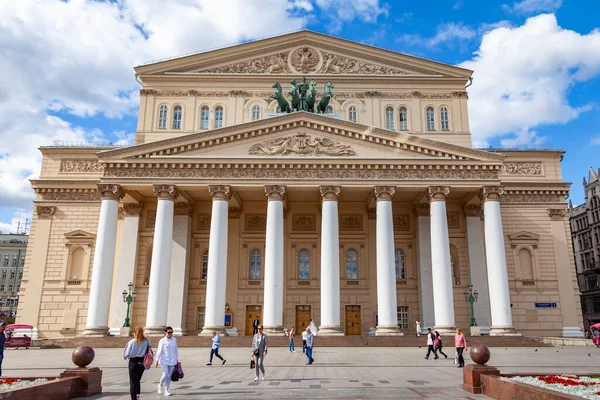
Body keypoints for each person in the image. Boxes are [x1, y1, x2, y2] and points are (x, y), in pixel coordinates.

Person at [123, 326, 151, 400]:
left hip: (133, 362)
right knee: (138, 379)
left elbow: (126, 353)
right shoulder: (146, 341)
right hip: (142, 363)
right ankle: (137, 394)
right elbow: (149, 350)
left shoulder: (132, 341)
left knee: (132, 382)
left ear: (135, 332)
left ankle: (134, 398)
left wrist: (125, 356)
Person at [155, 326, 178, 396]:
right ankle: (160, 385)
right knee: (165, 374)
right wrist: (156, 360)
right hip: (164, 360)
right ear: (165, 332)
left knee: (169, 376)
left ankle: (166, 390)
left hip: (172, 360)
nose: (170, 334)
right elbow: (159, 350)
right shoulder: (162, 340)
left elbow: (175, 350)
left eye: (171, 332)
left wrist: (176, 358)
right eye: (169, 332)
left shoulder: (174, 340)